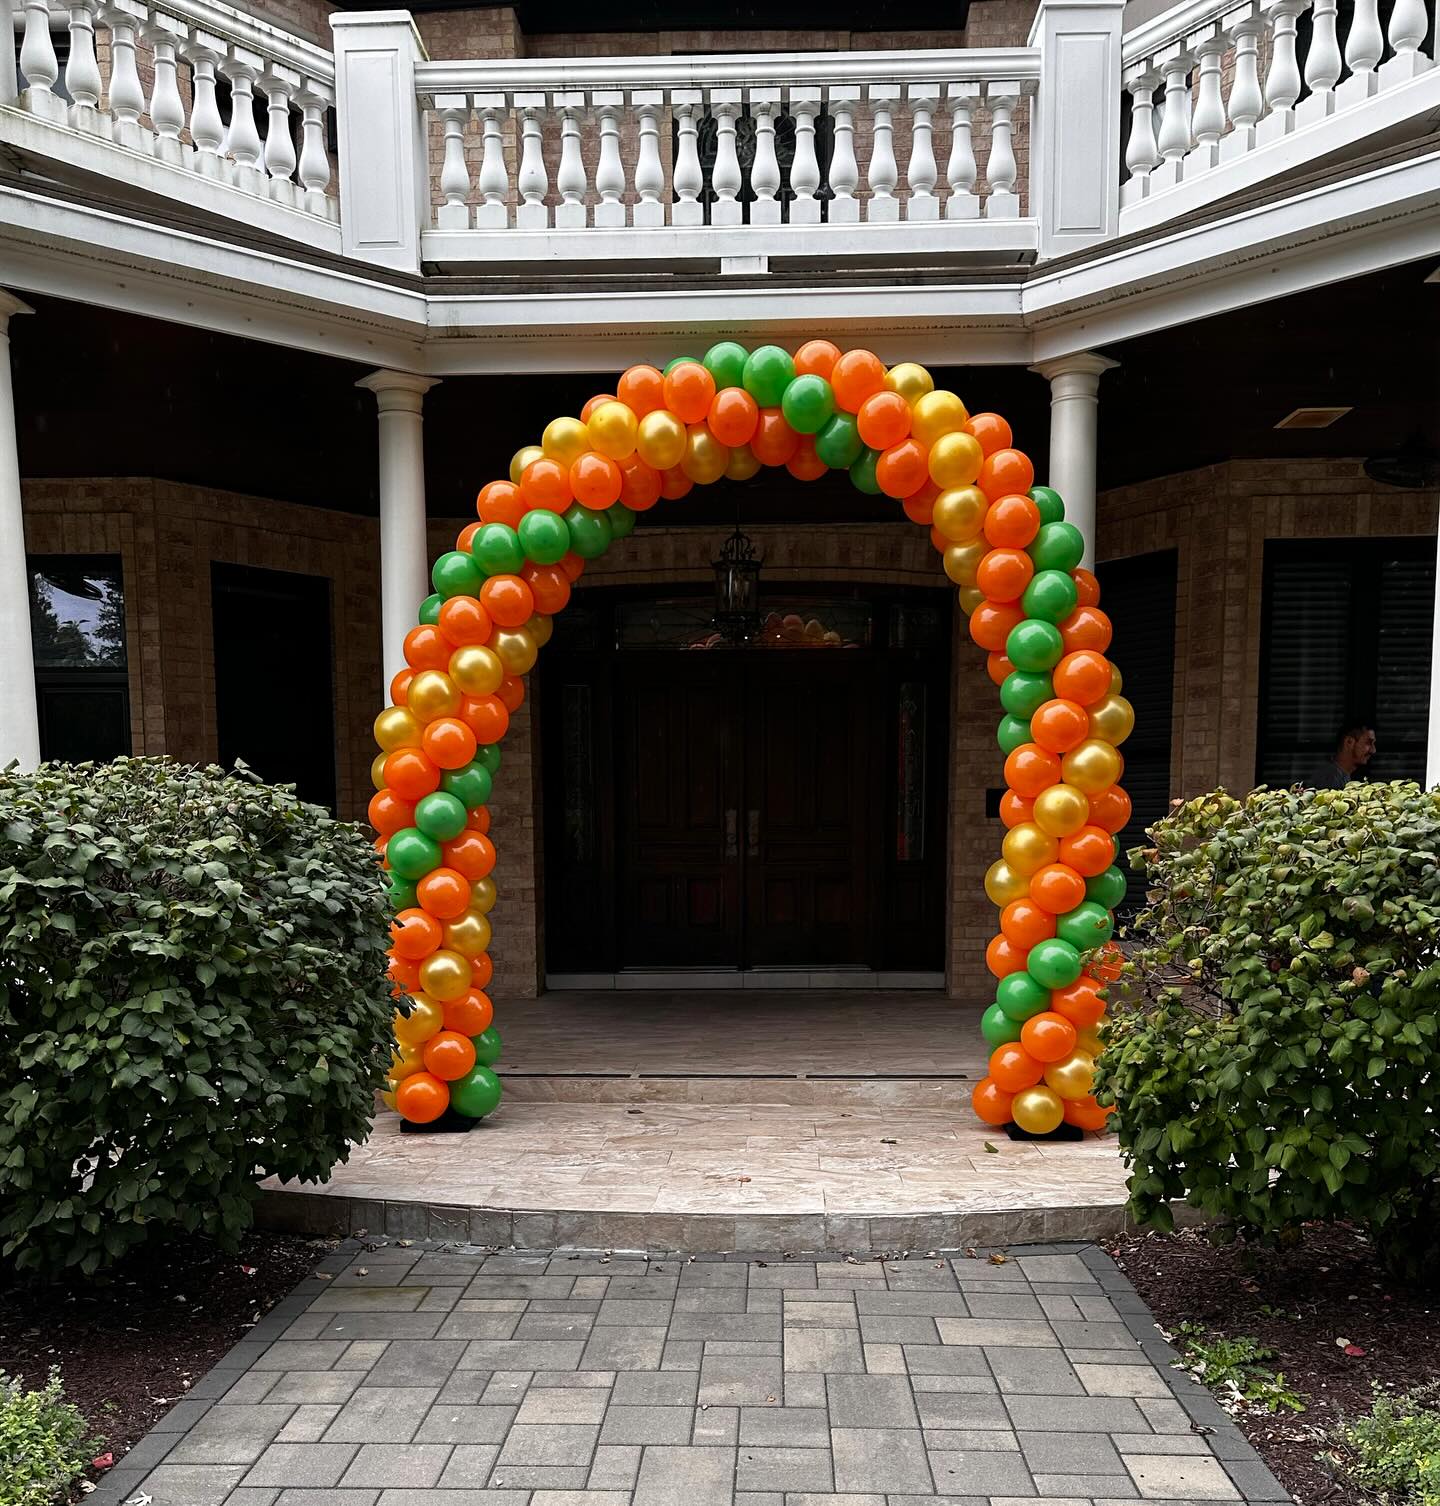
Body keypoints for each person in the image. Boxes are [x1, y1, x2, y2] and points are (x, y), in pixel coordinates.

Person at [1305, 722, 1376, 789]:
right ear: (1349, 742)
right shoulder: (1330, 779)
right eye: (1368, 743)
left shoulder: (1340, 776)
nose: (1373, 750)